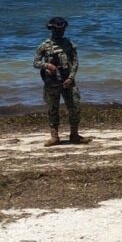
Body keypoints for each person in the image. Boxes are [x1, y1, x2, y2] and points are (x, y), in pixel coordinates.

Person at [33, 17, 92, 146]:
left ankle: (74, 135)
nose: (60, 32)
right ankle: (55, 137)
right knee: (53, 109)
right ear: (52, 29)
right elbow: (35, 62)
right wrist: (47, 66)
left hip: (68, 81)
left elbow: (75, 62)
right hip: (52, 82)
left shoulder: (69, 44)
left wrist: (71, 77)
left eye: (62, 29)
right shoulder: (45, 45)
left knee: (74, 107)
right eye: (58, 29)